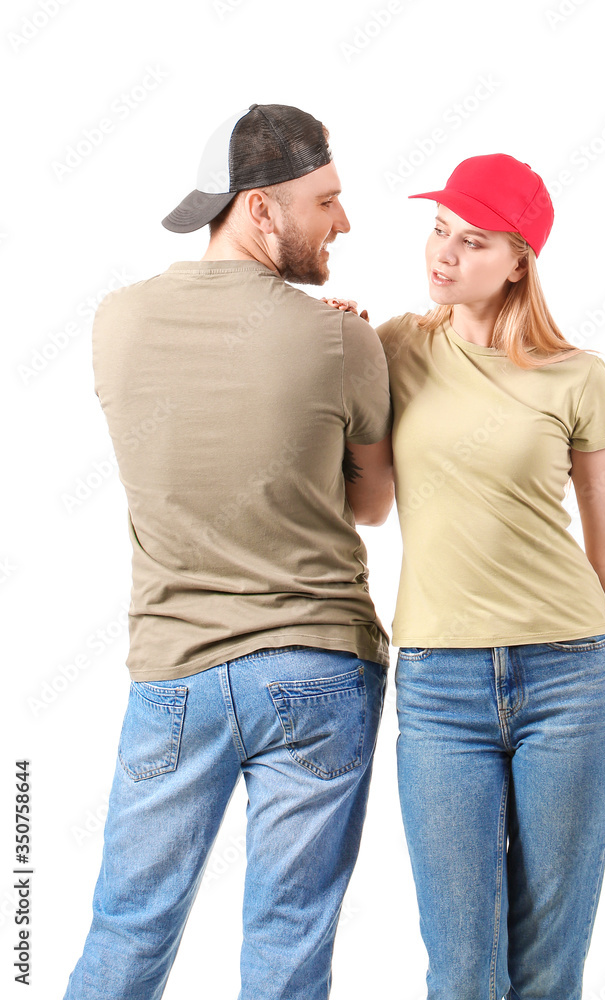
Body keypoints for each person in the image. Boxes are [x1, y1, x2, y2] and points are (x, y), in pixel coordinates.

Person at [63, 104, 394, 1000]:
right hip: (317, 670)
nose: (345, 222)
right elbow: (370, 505)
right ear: (259, 208)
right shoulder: (342, 338)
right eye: (326, 200)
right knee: (288, 944)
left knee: (128, 929)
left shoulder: (117, 322)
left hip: (173, 673)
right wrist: (342, 350)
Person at [327, 153, 605, 1000]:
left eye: (472, 242)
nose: (443, 254)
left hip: (572, 679)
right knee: (463, 967)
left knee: (549, 965)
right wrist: (331, 344)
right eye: (439, 230)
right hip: (442, 686)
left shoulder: (578, 376)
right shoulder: (395, 346)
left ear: (520, 258)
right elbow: (365, 497)